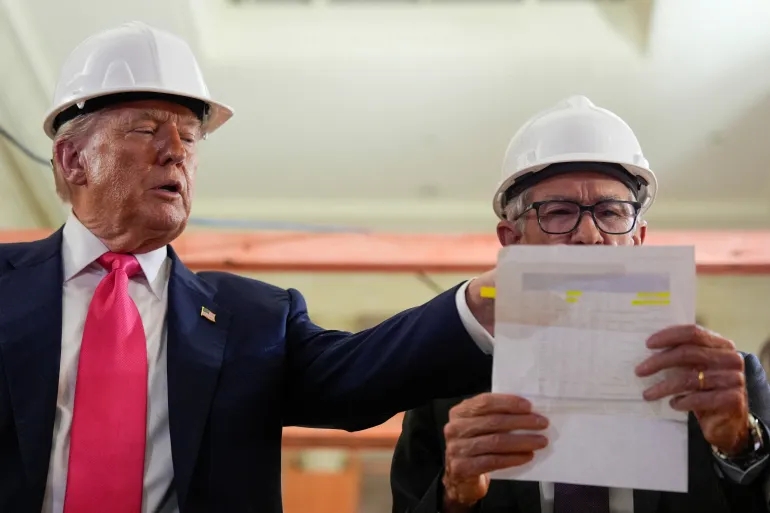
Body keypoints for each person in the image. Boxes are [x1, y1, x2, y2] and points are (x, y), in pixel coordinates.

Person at [0, 22, 497, 513]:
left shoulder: (255, 319)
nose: (176, 152)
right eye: (146, 130)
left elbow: (361, 374)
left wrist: (487, 301)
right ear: (73, 160)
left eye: (190, 138)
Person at [390, 96, 770, 513]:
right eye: (558, 212)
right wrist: (452, 498)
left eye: (610, 212)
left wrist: (742, 448)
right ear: (512, 241)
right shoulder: (442, 396)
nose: (589, 235)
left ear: (638, 240)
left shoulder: (722, 385)